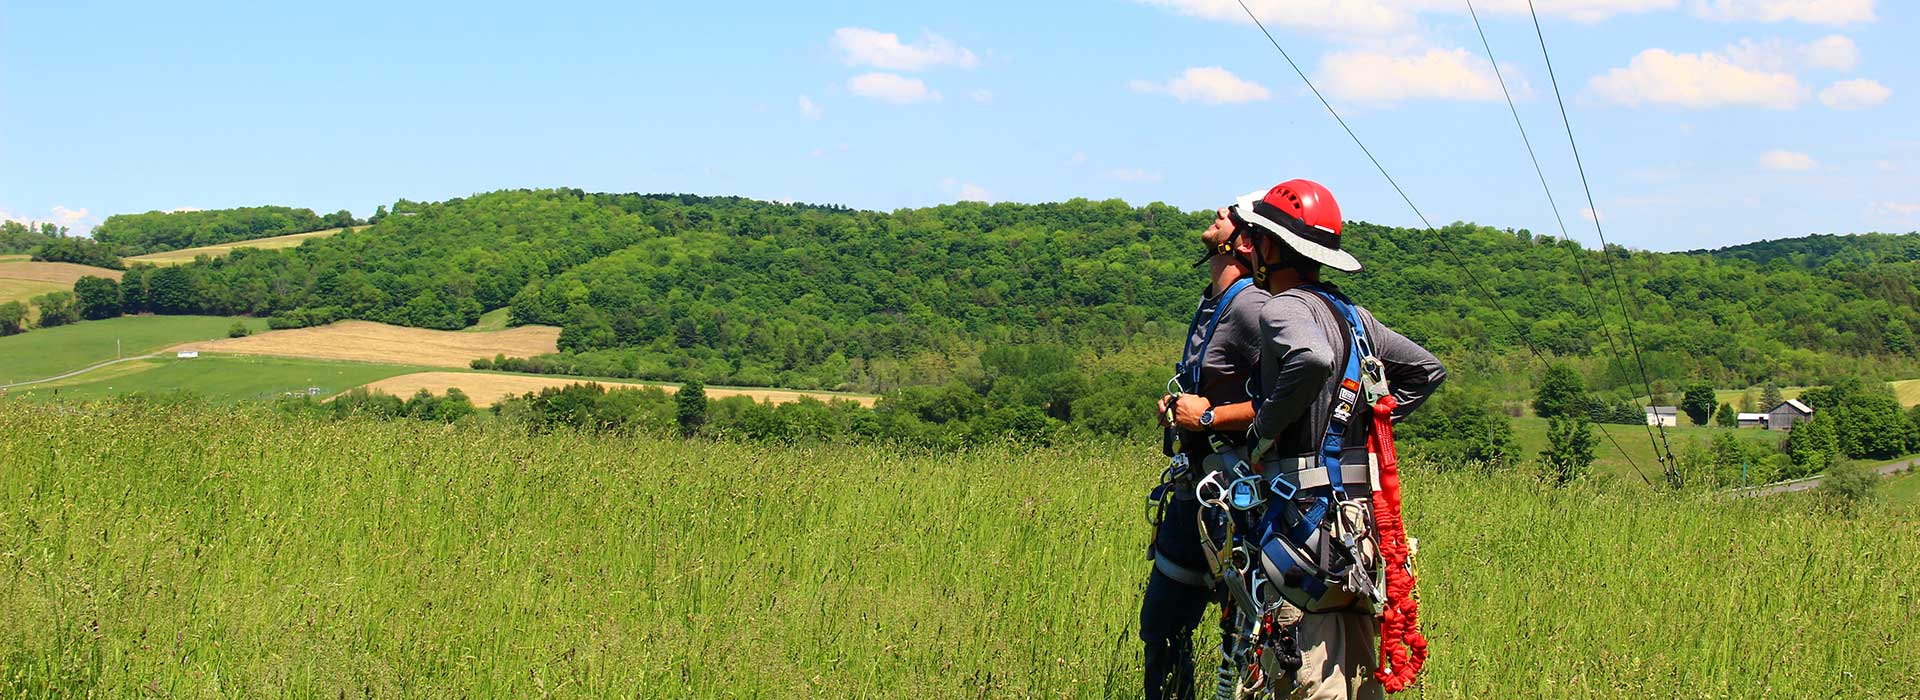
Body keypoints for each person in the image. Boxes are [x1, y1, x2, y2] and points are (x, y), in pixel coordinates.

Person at [1236, 179, 1447, 699]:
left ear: (1271, 247)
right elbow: (1426, 371)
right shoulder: (1356, 318)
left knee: (1304, 669)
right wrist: (1360, 419)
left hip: (1300, 523)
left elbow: (1311, 359)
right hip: (1360, 526)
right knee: (1355, 674)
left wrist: (1262, 434)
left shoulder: (1282, 309)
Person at [1141, 202, 1273, 700]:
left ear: (1242, 242)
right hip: (1195, 489)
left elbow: (1285, 401)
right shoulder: (1213, 300)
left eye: (1231, 212)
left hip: (1235, 499)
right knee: (1162, 628)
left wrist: (1212, 417)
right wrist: (1182, 406)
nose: (1219, 210)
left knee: (1237, 641)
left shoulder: (1252, 307)